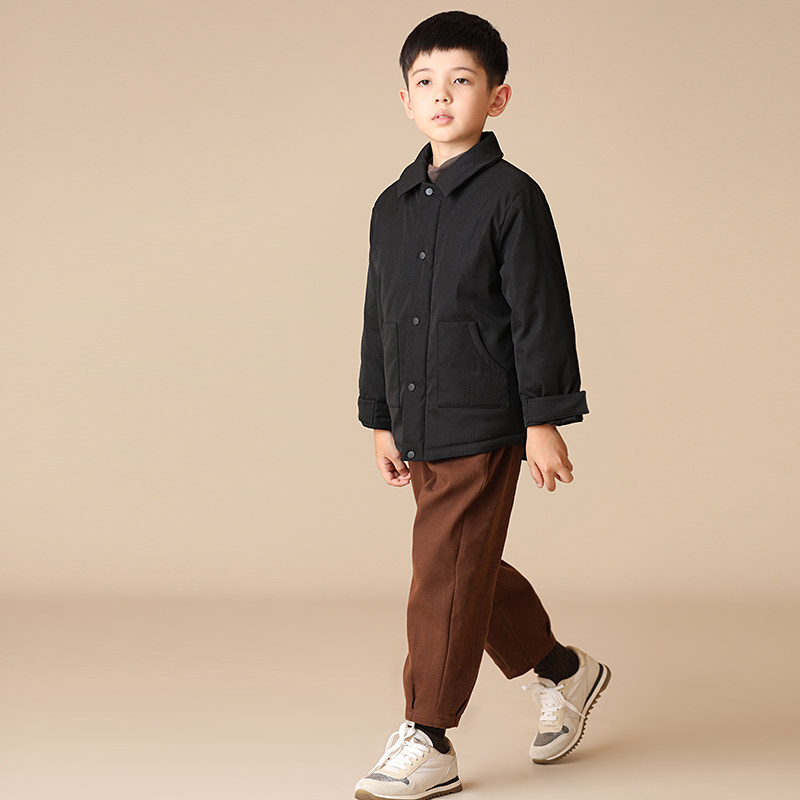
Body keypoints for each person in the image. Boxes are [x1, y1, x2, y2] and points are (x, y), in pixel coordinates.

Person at [354, 11, 610, 799]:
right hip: (418, 416)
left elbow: (540, 312)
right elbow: (379, 314)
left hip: (486, 414)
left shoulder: (512, 197)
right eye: (425, 82)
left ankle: (428, 735)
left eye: (461, 81)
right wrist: (379, 415)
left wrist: (542, 418)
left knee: (443, 567)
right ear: (405, 100)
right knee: (463, 561)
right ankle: (563, 671)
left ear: (497, 98)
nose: (442, 96)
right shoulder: (392, 205)